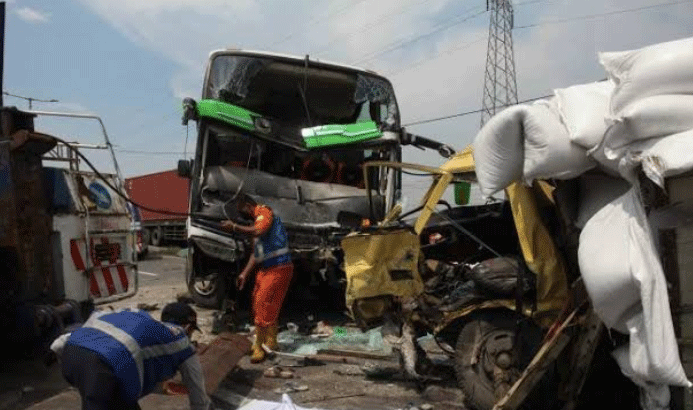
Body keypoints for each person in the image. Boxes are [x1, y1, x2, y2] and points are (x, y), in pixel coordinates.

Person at [50, 303, 213, 410]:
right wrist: (203, 406)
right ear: (186, 326)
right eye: (192, 330)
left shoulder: (136, 320)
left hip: (71, 354)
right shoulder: (180, 340)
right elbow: (195, 384)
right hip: (104, 368)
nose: (191, 336)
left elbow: (62, 343)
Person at [221, 194, 293, 363]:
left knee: (263, 304)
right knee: (261, 304)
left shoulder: (263, 211)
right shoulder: (256, 224)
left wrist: (234, 227)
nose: (241, 215)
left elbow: (260, 230)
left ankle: (259, 346)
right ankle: (271, 341)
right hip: (267, 268)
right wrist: (244, 274)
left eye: (241, 210)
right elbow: (256, 253)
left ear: (247, 205)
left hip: (279, 267)